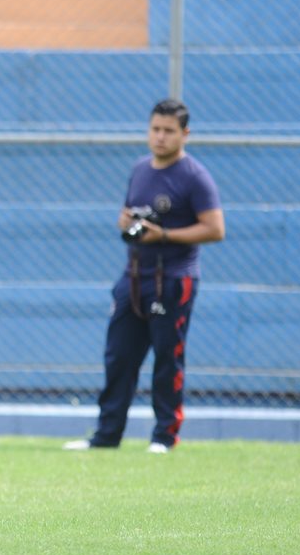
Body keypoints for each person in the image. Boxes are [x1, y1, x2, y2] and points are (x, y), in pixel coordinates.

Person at [64, 98, 224, 454]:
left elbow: (215, 229)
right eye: (155, 129)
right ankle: (106, 436)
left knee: (168, 358)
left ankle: (164, 437)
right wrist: (126, 223)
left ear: (185, 134)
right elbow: (130, 212)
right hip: (133, 277)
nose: (160, 137)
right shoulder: (140, 169)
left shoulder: (194, 176)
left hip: (174, 279)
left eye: (169, 131)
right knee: (118, 357)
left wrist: (164, 235)